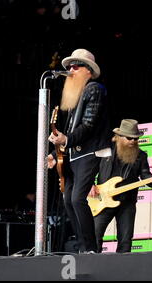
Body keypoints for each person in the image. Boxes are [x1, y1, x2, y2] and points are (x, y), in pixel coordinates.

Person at [47, 48, 111, 253]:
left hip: (90, 152)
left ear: (88, 70)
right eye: (69, 66)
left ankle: (92, 248)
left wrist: (67, 138)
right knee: (68, 200)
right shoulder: (76, 96)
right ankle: (84, 248)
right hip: (75, 153)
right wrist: (56, 148)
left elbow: (89, 124)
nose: (71, 69)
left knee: (77, 198)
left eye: (76, 66)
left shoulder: (94, 89)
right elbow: (72, 130)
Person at [90, 119, 152, 253]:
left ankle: (122, 269)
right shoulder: (105, 151)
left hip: (127, 201)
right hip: (103, 199)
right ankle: (94, 264)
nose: (133, 141)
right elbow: (89, 169)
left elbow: (145, 175)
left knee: (125, 239)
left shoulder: (140, 155)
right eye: (129, 138)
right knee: (95, 234)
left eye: (135, 138)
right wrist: (90, 185)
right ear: (119, 137)